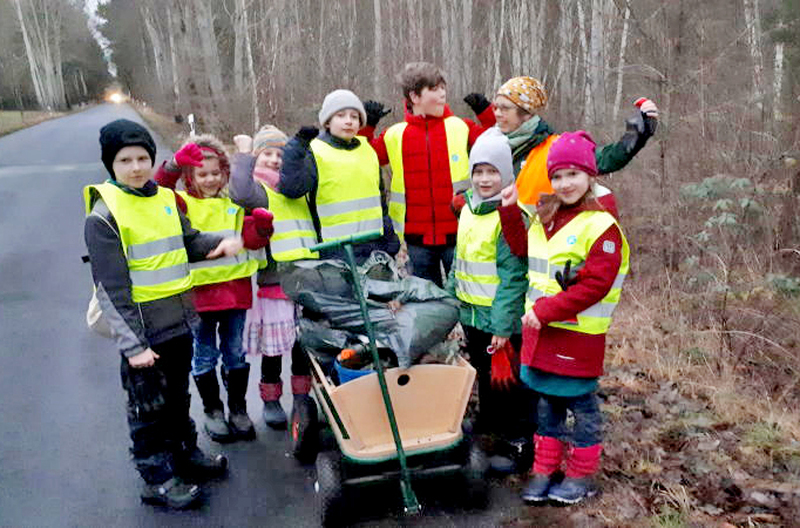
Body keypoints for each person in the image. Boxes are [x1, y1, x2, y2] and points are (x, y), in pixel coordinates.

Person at [84, 119, 243, 509]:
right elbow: (112, 290)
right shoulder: (104, 217)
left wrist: (218, 244)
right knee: (147, 410)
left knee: (177, 399)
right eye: (125, 160)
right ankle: (156, 477)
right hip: (143, 336)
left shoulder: (166, 200)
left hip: (180, 323)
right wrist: (134, 346)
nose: (136, 167)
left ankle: (184, 455)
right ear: (111, 165)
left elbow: (189, 241)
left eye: (142, 157)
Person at [507, 131, 629, 505]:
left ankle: (580, 475)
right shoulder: (547, 218)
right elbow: (523, 252)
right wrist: (509, 210)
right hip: (543, 337)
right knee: (547, 405)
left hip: (577, 338)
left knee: (582, 408)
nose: (564, 184)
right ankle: (545, 471)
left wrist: (544, 311)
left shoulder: (601, 226)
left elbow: (594, 286)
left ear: (591, 176)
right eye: (557, 176)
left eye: (573, 174)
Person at [154, 134, 274, 442]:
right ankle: (213, 410)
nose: (210, 179)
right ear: (189, 177)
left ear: (224, 173)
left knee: (235, 353)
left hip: (235, 294)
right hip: (199, 297)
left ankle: (238, 409)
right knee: (204, 354)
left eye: (216, 173)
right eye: (202, 174)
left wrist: (262, 227)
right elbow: (158, 189)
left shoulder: (232, 204)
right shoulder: (180, 204)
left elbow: (251, 239)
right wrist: (173, 165)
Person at [359, 62, 496, 286]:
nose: (442, 94)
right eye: (434, 89)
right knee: (428, 308)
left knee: (466, 298)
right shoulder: (395, 135)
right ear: (414, 96)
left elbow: (495, 145)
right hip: (415, 240)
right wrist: (367, 127)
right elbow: (361, 157)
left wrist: (486, 113)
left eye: (443, 88)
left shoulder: (461, 127)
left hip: (460, 233)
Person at [445, 128, 532, 473]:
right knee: (483, 372)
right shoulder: (468, 209)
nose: (484, 179)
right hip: (472, 315)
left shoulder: (508, 217)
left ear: (506, 175)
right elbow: (459, 261)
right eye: (478, 171)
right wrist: (450, 302)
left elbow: (513, 277)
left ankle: (519, 442)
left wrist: (503, 327)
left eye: (492, 172)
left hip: (499, 320)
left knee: (511, 382)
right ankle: (489, 422)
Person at [228, 125, 319, 429]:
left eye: (280, 154)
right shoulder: (259, 191)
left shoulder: (298, 190)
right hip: (275, 283)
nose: (275, 160)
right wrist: (242, 156)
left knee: (302, 347)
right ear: (256, 157)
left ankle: (302, 399)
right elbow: (238, 192)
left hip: (307, 280)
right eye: (267, 153)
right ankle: (270, 398)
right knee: (275, 348)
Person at [492, 76, 658, 213]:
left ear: (527, 114)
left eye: (505, 108)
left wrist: (637, 135)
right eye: (496, 107)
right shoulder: (492, 147)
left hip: (539, 246)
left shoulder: (555, 148)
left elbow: (606, 159)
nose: (498, 114)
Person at [278, 88, 400, 263]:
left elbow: (379, 202)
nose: (348, 121)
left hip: (374, 248)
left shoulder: (368, 151)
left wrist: (390, 239)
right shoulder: (315, 152)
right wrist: (296, 147)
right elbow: (291, 188)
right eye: (341, 116)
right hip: (335, 252)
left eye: (354, 116)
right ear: (327, 122)